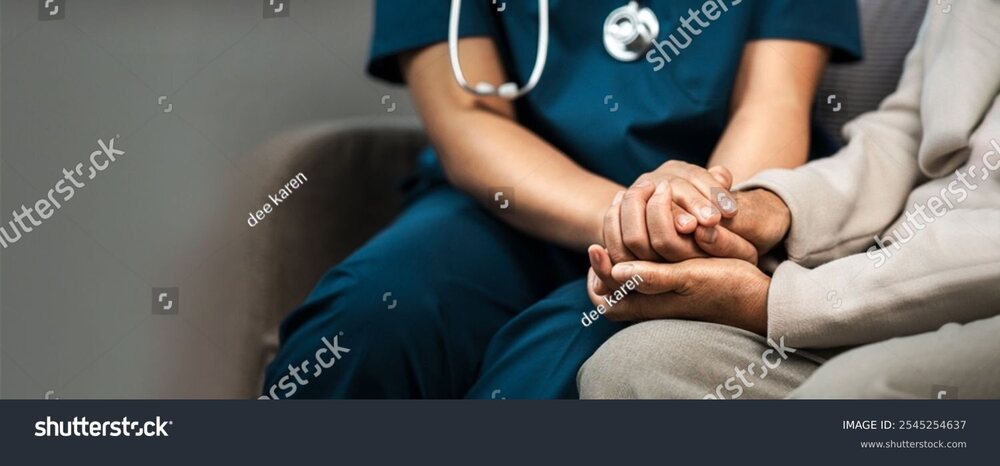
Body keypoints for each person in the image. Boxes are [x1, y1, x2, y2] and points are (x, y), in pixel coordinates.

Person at [261, 0, 862, 399]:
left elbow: (774, 103)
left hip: (704, 221)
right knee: (362, 324)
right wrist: (633, 215)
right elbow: (468, 121)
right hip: (503, 206)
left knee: (547, 373)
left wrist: (691, 220)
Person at [578, 0, 1000, 399]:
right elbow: (909, 130)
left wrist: (773, 303)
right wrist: (766, 209)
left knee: (850, 394)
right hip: (887, 276)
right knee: (632, 367)